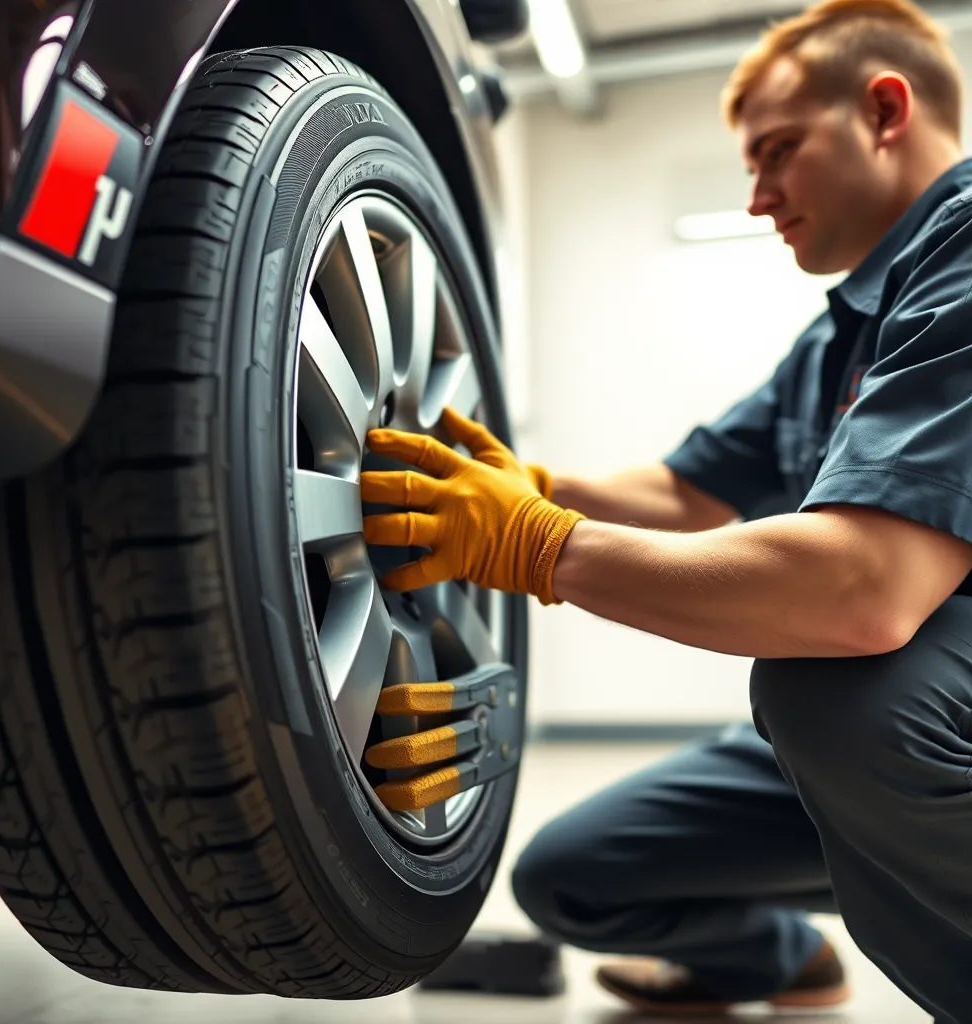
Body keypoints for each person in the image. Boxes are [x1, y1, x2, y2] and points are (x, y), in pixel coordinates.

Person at [360, 0, 972, 1020]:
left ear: (883, 108)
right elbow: (685, 493)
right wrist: (518, 483)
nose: (758, 198)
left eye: (777, 152)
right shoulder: (840, 338)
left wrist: (534, 544)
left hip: (918, 713)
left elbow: (865, 592)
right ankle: (782, 960)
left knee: (841, 699)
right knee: (573, 873)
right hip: (912, 727)